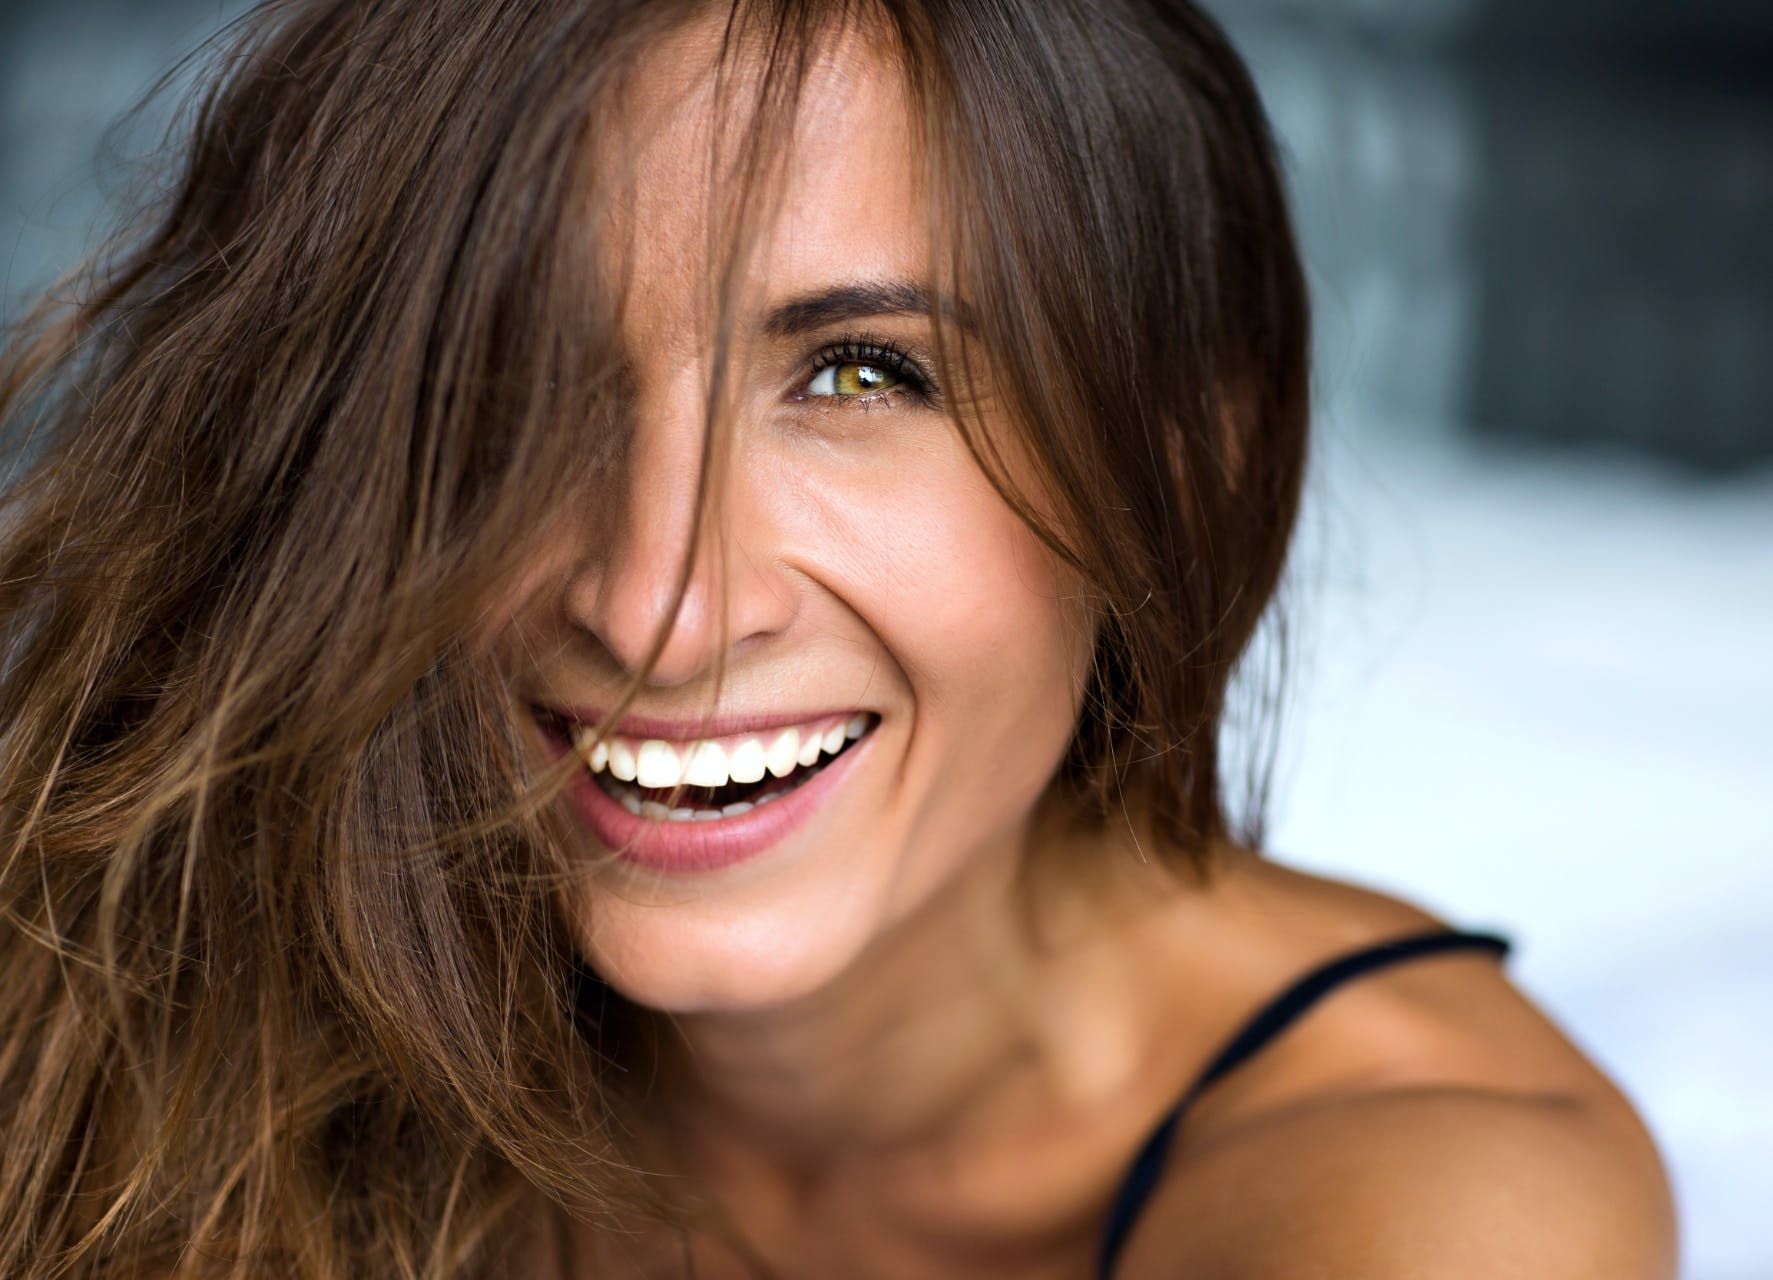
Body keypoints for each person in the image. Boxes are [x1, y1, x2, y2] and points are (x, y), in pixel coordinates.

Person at [0, 1, 1676, 1276]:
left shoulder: (1438, 1201)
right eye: (515, 374)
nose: (657, 608)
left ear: (1183, 467)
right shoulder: (154, 986)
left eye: (863, 375)